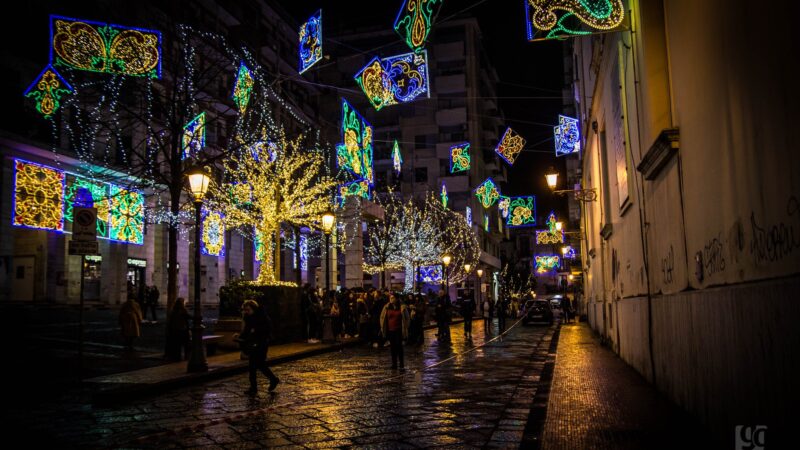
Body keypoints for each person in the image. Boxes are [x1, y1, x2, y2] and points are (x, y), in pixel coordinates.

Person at [237, 299, 280, 395]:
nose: (247, 312)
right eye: (245, 310)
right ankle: (256, 386)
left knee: (259, 364)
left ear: (253, 308)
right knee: (253, 366)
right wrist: (239, 338)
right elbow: (247, 331)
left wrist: (256, 330)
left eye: (248, 310)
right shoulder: (248, 318)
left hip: (262, 343)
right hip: (253, 344)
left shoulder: (262, 317)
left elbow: (267, 329)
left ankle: (270, 380)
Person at [380, 293, 410, 369]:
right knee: (392, 347)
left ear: (397, 299)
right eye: (390, 298)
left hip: (399, 330)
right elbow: (382, 317)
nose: (391, 299)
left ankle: (401, 364)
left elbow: (407, 318)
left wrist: (406, 327)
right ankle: (394, 364)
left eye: (393, 298)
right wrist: (382, 326)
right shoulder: (386, 307)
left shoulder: (402, 307)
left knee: (399, 347)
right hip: (390, 330)